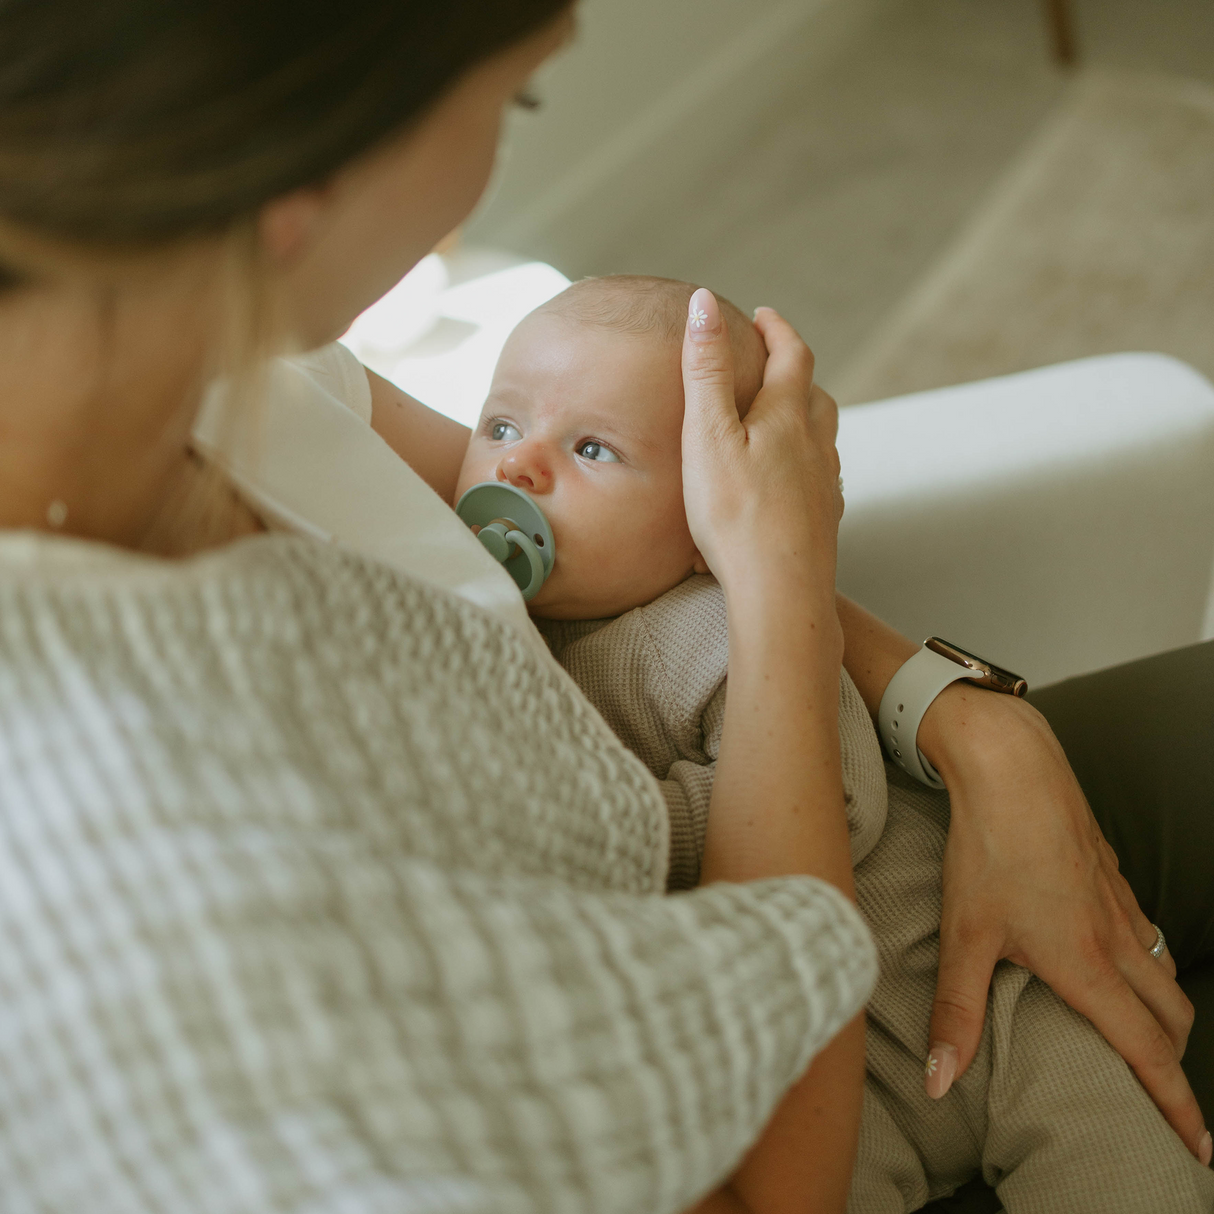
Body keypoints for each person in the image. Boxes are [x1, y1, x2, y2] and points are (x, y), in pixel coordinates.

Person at [0, 2, 1207, 1212]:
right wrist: (782, 585)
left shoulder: (219, 353)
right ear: (294, 168)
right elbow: (768, 1190)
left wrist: (963, 716)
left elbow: (646, 553)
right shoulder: (125, 848)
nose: (515, 462)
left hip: (872, 896)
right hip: (811, 1094)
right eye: (512, 98)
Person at [447, 272, 1214, 1210]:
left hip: (977, 1000)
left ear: (707, 525)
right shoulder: (481, 638)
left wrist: (621, 828)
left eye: (593, 448)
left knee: (1125, 1162)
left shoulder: (708, 631)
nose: (517, 469)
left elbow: (845, 797)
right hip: (821, 1080)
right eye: (498, 426)